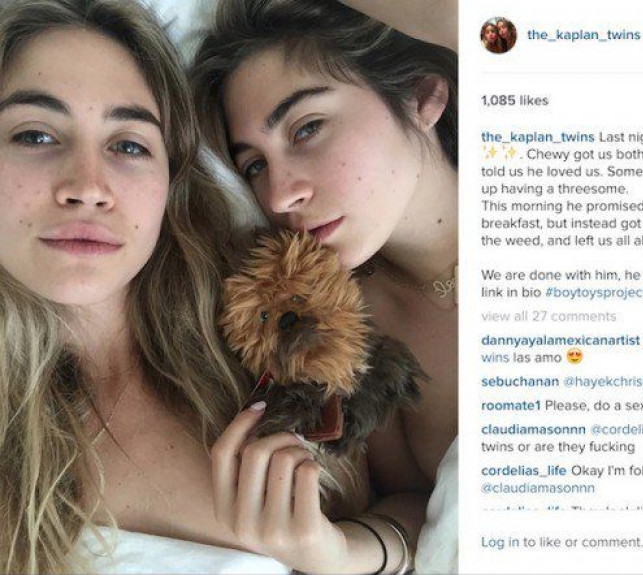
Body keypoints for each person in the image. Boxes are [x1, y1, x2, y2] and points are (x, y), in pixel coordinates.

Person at [0, 0, 286, 572]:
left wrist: (365, 549)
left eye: (129, 145)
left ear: (170, 184)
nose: (88, 187)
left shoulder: (271, 341)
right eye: (35, 135)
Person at [191, 0, 458, 571]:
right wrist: (339, 552)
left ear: (422, 95)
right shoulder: (335, 327)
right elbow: (423, 507)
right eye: (254, 166)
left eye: (307, 128)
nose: (279, 195)